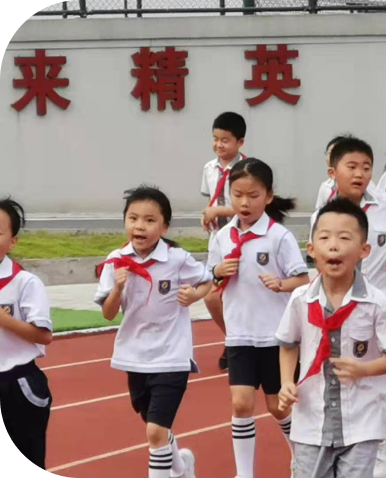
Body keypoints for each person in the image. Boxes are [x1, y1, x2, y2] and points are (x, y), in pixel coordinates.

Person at [277, 198, 386, 478]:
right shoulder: (301, 299)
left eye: (344, 238)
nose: (334, 246)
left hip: (362, 419)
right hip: (311, 418)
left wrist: (364, 369)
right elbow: (288, 344)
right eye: (325, 238)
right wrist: (287, 381)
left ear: (364, 250)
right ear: (311, 249)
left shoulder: (377, 302)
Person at [95, 186, 213, 479]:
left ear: (164, 227)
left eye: (149, 220)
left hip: (172, 355)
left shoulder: (177, 259)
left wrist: (193, 296)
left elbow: (207, 281)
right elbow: (108, 313)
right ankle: (182, 467)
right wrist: (118, 288)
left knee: (155, 431)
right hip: (135, 356)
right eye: (133, 218)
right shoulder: (116, 261)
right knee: (155, 427)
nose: (140, 226)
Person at [209, 159, 310, 478]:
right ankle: (244, 473)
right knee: (241, 404)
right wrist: (217, 271)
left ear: (267, 196)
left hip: (274, 336)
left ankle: (301, 458)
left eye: (253, 195)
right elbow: (209, 278)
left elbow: (303, 279)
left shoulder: (278, 237)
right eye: (237, 195)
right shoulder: (222, 237)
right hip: (239, 334)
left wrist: (281, 284)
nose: (244, 202)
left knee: (277, 407)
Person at [310, 137, 386, 296]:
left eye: (366, 168)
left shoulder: (385, 204)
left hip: (384, 296)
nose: (359, 174)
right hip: (342, 299)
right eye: (351, 167)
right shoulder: (322, 216)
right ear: (332, 173)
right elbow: (319, 259)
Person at [0, 197, 53, 471]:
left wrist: (3, 320)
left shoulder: (25, 283)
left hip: (17, 385)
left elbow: (43, 335)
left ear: (13, 241)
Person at [201, 112, 247, 371]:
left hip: (241, 239)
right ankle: (233, 339)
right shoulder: (209, 168)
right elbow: (211, 200)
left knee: (238, 294)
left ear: (240, 142)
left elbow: (250, 207)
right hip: (216, 239)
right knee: (211, 296)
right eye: (215, 139)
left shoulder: (247, 170)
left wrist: (219, 211)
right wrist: (207, 215)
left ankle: (242, 342)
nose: (219, 145)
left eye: (225, 140)